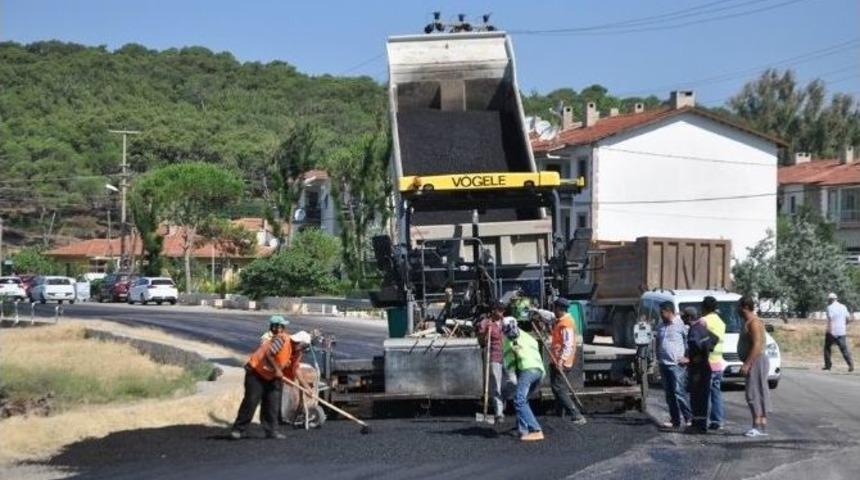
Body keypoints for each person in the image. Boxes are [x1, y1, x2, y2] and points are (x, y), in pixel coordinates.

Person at [230, 316, 293, 440]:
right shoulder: (280, 340)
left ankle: (272, 431)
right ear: (275, 327)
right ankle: (238, 429)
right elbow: (269, 354)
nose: (283, 329)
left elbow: (283, 359)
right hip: (256, 373)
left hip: (271, 375)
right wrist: (277, 369)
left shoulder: (290, 343)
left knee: (272, 404)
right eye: (280, 326)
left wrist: (281, 367)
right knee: (251, 401)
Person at [502, 317, 545, 442]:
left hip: (527, 370)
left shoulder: (508, 340)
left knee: (519, 400)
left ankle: (536, 429)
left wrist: (511, 377)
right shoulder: (528, 336)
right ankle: (523, 430)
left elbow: (508, 362)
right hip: (539, 371)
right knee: (523, 400)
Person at [544, 298, 587, 424]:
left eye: (555, 308)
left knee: (559, 388)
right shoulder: (561, 321)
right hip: (556, 358)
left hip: (562, 361)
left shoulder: (566, 323)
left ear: (559, 309)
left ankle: (576, 414)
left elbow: (568, 344)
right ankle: (559, 414)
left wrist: (561, 361)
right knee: (556, 387)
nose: (554, 311)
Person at [738, 296, 771, 437]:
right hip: (755, 360)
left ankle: (757, 425)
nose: (736, 310)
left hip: (756, 360)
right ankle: (761, 425)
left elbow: (757, 345)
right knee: (757, 391)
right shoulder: (748, 322)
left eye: (738, 306)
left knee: (753, 393)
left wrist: (747, 364)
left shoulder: (754, 322)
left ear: (745, 307)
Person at [656, 301, 692, 430]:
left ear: (669, 311)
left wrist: (688, 357)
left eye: (662, 312)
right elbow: (658, 341)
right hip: (664, 363)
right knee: (669, 394)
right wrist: (657, 357)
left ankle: (689, 418)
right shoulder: (660, 325)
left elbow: (690, 341)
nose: (660, 315)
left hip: (677, 365)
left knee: (679, 392)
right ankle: (675, 419)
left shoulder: (680, 324)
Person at [684, 306, 718, 434]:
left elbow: (696, 346)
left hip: (698, 369)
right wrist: (706, 352)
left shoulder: (694, 331)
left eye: (684, 316)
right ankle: (700, 424)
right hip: (705, 367)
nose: (682, 318)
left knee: (697, 397)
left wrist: (691, 358)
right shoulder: (702, 328)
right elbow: (714, 339)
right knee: (702, 397)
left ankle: (698, 425)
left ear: (689, 317)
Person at [477, 301, 506, 421]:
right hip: (494, 356)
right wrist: (485, 333)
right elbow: (481, 342)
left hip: (508, 356)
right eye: (500, 310)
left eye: (503, 310)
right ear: (493, 310)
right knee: (496, 385)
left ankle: (504, 402)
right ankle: (499, 413)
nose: (502, 312)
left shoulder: (506, 322)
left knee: (511, 382)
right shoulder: (485, 323)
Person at [701, 296, 726, 430]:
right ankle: (717, 420)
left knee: (704, 394)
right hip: (718, 363)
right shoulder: (721, 322)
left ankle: (702, 420)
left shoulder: (703, 321)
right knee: (716, 393)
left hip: (706, 363)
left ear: (703, 307)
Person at [824, 293, 854, 372]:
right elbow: (848, 319)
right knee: (844, 349)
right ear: (836, 299)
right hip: (841, 331)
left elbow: (830, 319)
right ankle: (850, 364)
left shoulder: (829, 307)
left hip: (832, 331)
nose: (828, 301)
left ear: (831, 300)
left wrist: (829, 330)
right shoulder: (843, 307)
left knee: (827, 348)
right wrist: (844, 325)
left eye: (828, 300)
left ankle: (828, 366)